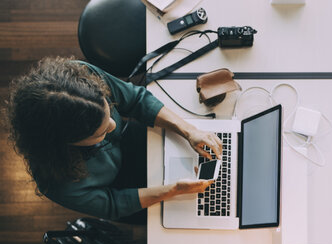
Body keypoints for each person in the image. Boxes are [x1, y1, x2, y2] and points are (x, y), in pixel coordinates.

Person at [5, 57, 222, 223]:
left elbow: (136, 100)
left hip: (134, 144)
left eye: (109, 113)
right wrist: (173, 190)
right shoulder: (57, 182)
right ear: (66, 144)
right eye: (100, 133)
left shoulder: (82, 83)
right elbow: (112, 204)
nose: (114, 125)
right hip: (121, 188)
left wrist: (189, 130)